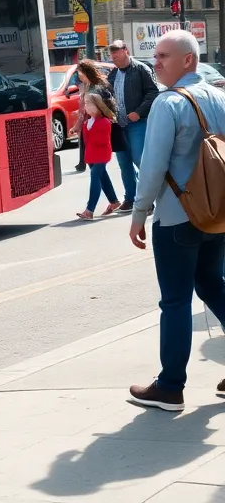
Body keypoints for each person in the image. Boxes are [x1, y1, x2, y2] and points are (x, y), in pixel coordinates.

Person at [126, 30, 225, 412]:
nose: (156, 63)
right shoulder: (220, 96)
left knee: (175, 300)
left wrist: (138, 214)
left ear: (188, 60)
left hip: (177, 216)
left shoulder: (168, 103)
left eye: (164, 56)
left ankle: (170, 387)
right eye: (155, 56)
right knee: (212, 284)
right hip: (216, 212)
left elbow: (152, 167)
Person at [108, 40, 160, 212]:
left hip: (137, 123)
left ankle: (149, 200)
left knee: (140, 160)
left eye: (117, 53)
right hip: (119, 125)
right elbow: (107, 96)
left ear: (126, 51)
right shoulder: (113, 74)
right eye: (112, 54)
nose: (114, 57)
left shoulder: (141, 69)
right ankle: (130, 198)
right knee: (124, 164)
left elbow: (153, 92)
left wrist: (138, 112)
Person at [76, 92, 121, 220]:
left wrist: (88, 130)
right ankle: (114, 201)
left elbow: (100, 140)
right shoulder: (87, 122)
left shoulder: (104, 122)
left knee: (95, 178)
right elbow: (87, 141)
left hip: (101, 154)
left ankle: (89, 210)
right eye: (85, 104)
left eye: (89, 104)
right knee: (103, 178)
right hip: (91, 155)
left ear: (98, 106)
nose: (87, 107)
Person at [73, 60, 116, 173]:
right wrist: (78, 123)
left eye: (80, 72)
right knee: (95, 166)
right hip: (87, 125)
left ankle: (96, 189)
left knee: (97, 166)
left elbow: (108, 105)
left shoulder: (100, 85)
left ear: (86, 72)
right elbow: (83, 107)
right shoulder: (83, 86)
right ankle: (108, 191)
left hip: (99, 124)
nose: (79, 76)